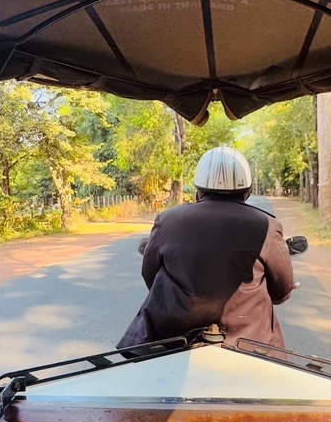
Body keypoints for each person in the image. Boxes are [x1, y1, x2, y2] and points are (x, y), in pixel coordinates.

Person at [117, 147, 295, 350]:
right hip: (248, 339)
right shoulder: (268, 225)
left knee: (143, 368)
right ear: (248, 192)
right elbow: (283, 288)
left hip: (172, 334)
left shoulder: (167, 220)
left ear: (197, 192)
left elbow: (150, 275)